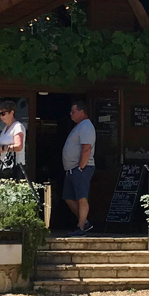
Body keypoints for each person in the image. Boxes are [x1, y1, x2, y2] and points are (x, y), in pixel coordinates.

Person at [62, 99, 97, 233]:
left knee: (81, 197)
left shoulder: (86, 126)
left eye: (73, 111)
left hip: (81, 168)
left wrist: (81, 167)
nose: (71, 114)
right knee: (68, 197)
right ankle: (85, 222)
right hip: (72, 170)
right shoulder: (79, 126)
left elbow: (87, 148)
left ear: (82, 112)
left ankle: (81, 227)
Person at [0, 101, 25, 179]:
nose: (1, 116)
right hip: (4, 165)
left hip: (15, 167)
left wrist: (3, 148)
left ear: (12, 112)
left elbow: (19, 146)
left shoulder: (18, 126)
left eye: (3, 113)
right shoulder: (4, 129)